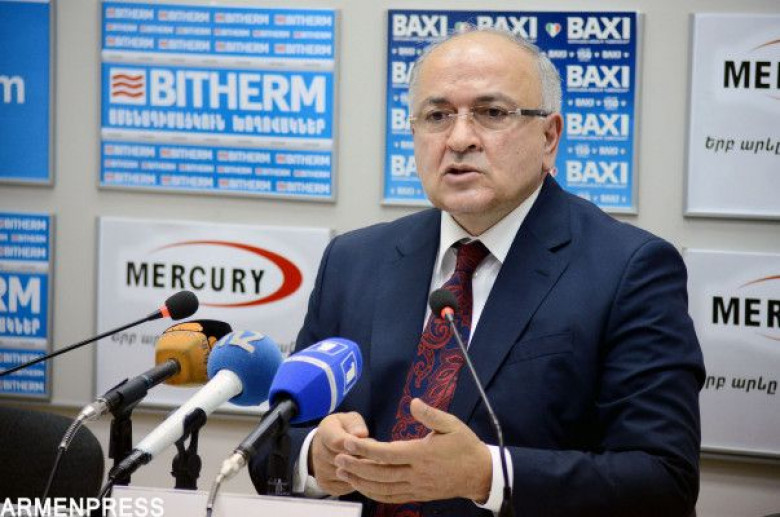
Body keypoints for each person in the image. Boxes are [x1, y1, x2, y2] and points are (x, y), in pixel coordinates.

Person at [251, 28, 705, 517]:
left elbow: (663, 481)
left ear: (549, 137)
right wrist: (314, 458)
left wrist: (488, 474)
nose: (459, 139)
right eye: (437, 116)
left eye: (491, 113)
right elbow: (270, 444)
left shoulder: (630, 269)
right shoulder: (354, 260)